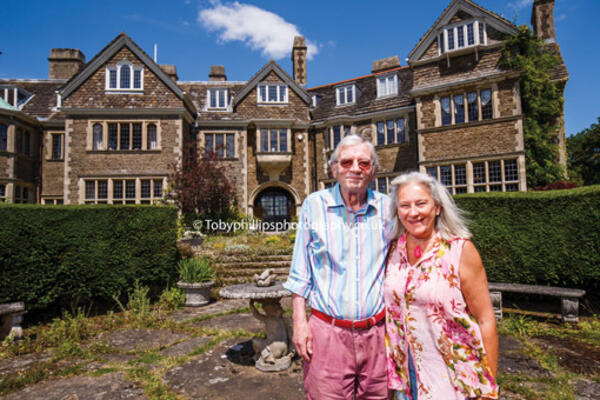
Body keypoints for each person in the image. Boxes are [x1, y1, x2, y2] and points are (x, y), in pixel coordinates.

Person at [284, 134, 394, 400]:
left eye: (364, 163)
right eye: (346, 162)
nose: (355, 168)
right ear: (334, 168)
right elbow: (301, 273)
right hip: (327, 335)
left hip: (378, 335)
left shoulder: (388, 208)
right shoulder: (314, 205)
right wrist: (299, 323)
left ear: (374, 171)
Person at [384, 171, 499, 400]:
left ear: (437, 207)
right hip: (406, 380)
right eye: (405, 205)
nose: (413, 212)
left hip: (454, 379)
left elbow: (486, 319)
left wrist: (488, 388)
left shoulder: (460, 250)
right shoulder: (392, 251)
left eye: (421, 203)